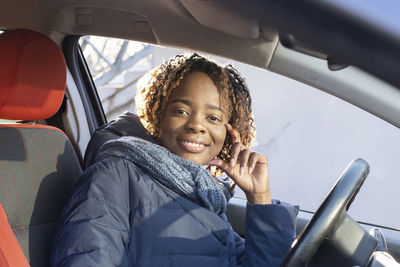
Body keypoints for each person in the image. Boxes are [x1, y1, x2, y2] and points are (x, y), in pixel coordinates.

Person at [50, 53, 298, 266]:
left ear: (229, 132)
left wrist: (260, 198)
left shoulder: (205, 195)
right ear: (157, 117)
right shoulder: (114, 176)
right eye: (181, 111)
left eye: (213, 118)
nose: (196, 125)